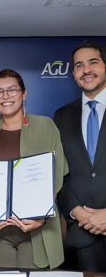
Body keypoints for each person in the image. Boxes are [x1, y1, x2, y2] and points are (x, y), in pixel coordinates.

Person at [0, 69, 68, 269]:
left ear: (24, 94)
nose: (5, 96)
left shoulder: (45, 126)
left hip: (37, 229)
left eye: (12, 90)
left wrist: (41, 217)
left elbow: (56, 175)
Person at [54, 41, 106, 272]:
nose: (86, 70)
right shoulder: (62, 116)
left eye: (93, 62)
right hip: (81, 234)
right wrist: (78, 212)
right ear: (74, 74)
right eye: (78, 65)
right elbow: (58, 175)